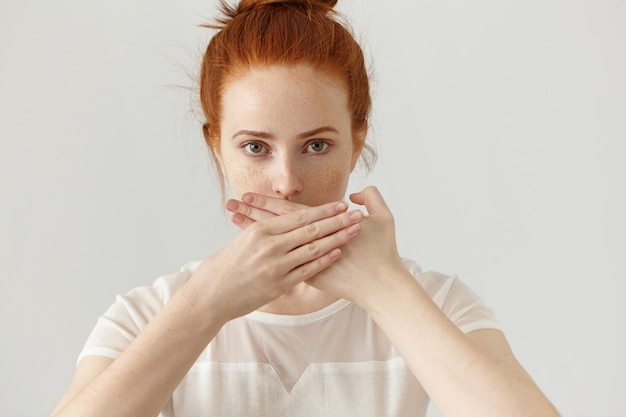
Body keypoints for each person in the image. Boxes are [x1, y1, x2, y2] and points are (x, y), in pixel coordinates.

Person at [51, 1, 561, 416]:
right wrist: (206, 302)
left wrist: (385, 290)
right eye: (255, 147)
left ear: (357, 140)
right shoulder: (146, 315)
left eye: (316, 145)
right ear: (216, 145)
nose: (287, 183)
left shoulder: (437, 302)